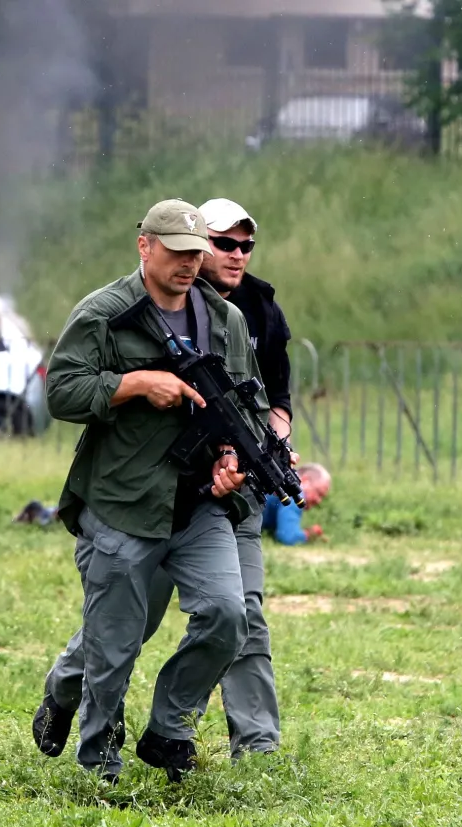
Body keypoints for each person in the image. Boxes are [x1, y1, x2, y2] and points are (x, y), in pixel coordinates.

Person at [31, 199, 268, 783]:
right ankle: (98, 768)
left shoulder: (226, 320)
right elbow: (61, 392)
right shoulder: (105, 313)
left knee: (228, 616)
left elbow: (251, 407)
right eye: (178, 252)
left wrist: (234, 459)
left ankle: (169, 729)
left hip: (200, 505)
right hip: (123, 502)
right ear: (145, 246)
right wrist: (134, 383)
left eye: (197, 253)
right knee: (113, 647)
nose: (190, 263)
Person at [193, 197, 295, 758]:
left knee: (245, 611)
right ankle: (71, 692)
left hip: (241, 489)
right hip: (173, 488)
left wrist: (274, 443)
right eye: (224, 243)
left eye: (246, 245)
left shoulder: (261, 305)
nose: (237, 255)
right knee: (128, 617)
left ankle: (257, 745)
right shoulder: (168, 302)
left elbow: (279, 396)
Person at [263, 463, 331, 546]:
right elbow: (287, 537)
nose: (319, 501)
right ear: (305, 480)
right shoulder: (295, 492)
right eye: (318, 493)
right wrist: (309, 534)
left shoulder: (282, 478)